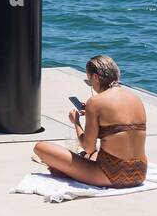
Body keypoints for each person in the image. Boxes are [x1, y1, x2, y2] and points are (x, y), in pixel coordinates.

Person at [33, 55, 147, 188]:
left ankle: (71, 171)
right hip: (139, 173)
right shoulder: (136, 99)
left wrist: (76, 122)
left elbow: (88, 147)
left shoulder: (95, 102)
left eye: (89, 81)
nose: (91, 85)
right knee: (96, 153)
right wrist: (93, 114)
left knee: (40, 147)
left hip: (112, 175)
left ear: (96, 77)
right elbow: (121, 130)